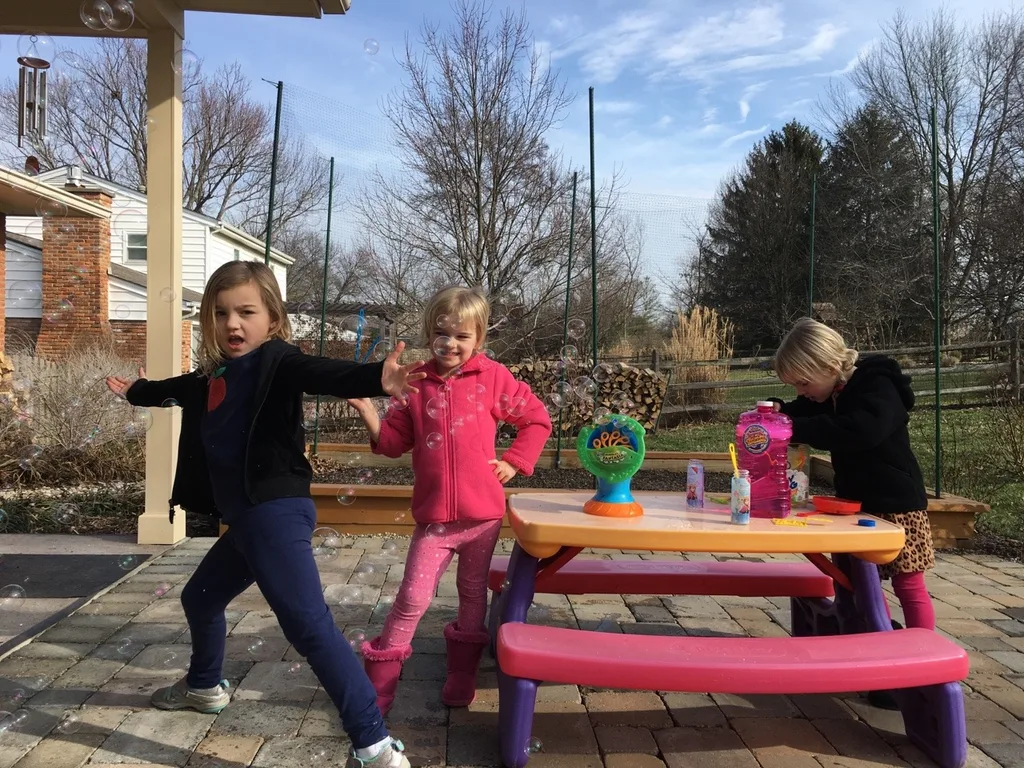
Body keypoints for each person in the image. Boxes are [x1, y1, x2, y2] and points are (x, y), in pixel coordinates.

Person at [106, 261, 425, 768]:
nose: (233, 324)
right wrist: (134, 392)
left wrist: (375, 378)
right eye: (221, 313)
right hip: (248, 522)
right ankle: (205, 684)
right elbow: (173, 390)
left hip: (273, 513)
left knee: (306, 625)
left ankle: (375, 745)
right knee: (200, 599)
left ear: (272, 320)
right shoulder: (215, 378)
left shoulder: (278, 361)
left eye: (247, 312)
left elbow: (319, 370)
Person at [348, 286, 552, 714]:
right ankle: (380, 685)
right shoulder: (417, 381)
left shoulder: (494, 377)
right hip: (435, 521)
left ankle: (462, 673)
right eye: (442, 333)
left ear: (479, 339)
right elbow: (392, 443)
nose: (451, 343)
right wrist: (370, 413)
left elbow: (536, 419)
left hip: (483, 517)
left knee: (472, 594)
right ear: (429, 332)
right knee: (412, 598)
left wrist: (514, 461)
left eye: (462, 335)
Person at [772, 317, 936, 710]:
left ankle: (924, 661)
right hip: (852, 505)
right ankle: (860, 650)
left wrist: (791, 424)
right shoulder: (829, 391)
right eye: (794, 386)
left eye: (803, 384)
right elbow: (809, 408)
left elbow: (859, 430)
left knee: (908, 583)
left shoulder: (878, 387)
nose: (800, 392)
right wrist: (776, 412)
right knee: (849, 582)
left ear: (829, 368)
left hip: (897, 504)